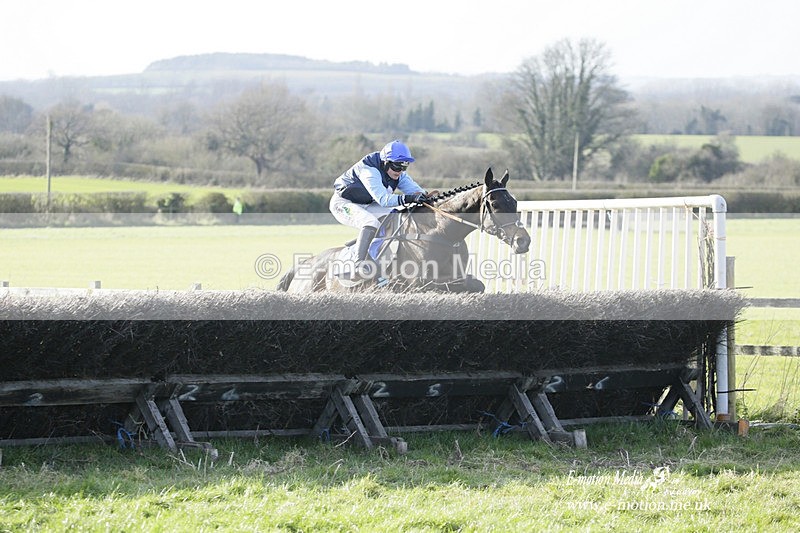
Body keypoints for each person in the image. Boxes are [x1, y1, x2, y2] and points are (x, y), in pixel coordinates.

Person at [330, 140, 428, 276]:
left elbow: (417, 192)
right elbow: (384, 200)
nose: (400, 171)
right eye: (397, 167)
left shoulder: (396, 172)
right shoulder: (369, 171)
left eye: (404, 168)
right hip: (344, 203)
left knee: (396, 216)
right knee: (370, 222)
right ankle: (358, 263)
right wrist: (409, 198)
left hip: (369, 203)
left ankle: (382, 254)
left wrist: (427, 197)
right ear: (385, 162)